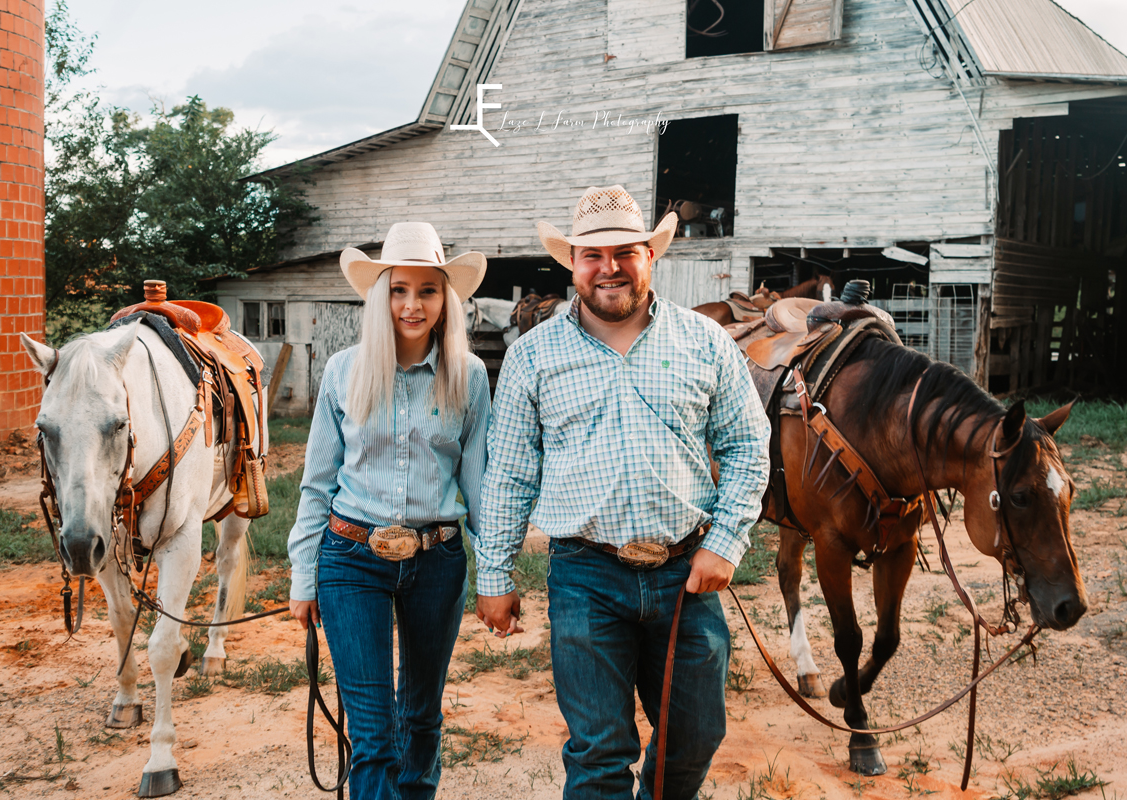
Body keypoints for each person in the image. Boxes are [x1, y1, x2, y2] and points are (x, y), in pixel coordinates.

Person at [475, 186, 770, 800]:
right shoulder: (533, 356)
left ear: (649, 256)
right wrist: (495, 574)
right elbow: (508, 473)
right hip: (587, 573)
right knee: (600, 752)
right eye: (592, 255)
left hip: (685, 569)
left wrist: (726, 541)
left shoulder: (705, 341)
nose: (608, 267)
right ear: (572, 264)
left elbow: (747, 446)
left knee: (694, 735)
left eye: (624, 252)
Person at [287, 222, 491, 799]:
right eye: (399, 289)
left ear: (445, 299)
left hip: (437, 560)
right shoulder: (343, 372)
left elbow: (477, 485)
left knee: (421, 718)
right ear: (381, 296)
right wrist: (305, 577)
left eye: (428, 290)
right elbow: (316, 484)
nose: (412, 304)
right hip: (352, 559)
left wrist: (496, 573)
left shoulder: (469, 377)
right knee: (373, 733)